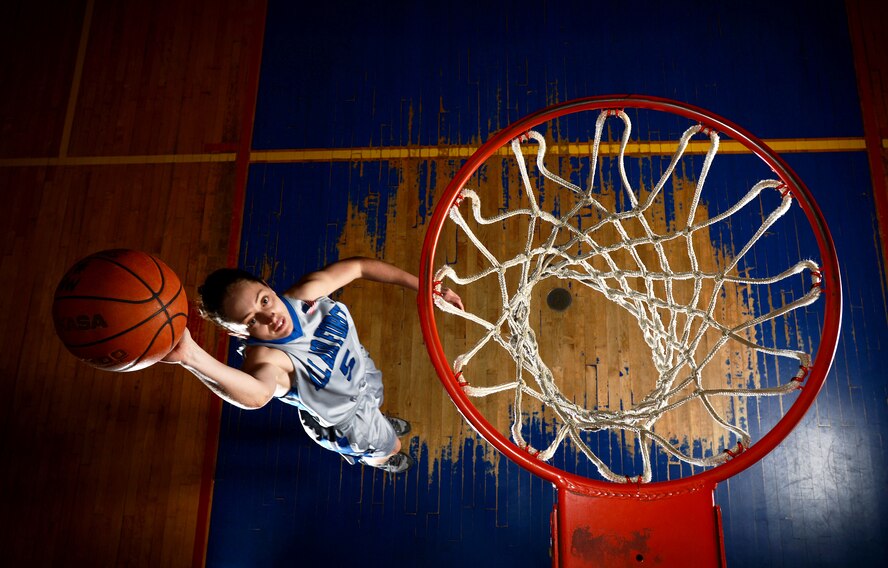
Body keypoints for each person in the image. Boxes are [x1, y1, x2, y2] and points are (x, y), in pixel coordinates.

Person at [162, 256, 463, 473]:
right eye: (251, 320)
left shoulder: (304, 296)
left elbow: (360, 267)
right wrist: (191, 357)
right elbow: (256, 395)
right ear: (237, 332)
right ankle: (381, 460)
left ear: (267, 285)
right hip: (347, 422)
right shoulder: (267, 358)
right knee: (390, 446)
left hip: (361, 374)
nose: (270, 317)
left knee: (377, 399)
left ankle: (380, 423)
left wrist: (427, 289)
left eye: (264, 300)